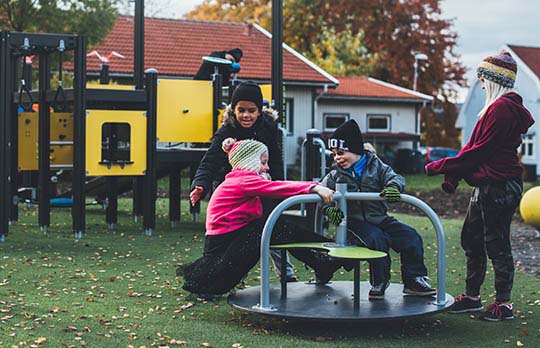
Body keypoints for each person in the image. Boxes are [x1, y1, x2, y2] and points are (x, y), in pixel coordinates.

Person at [426, 51, 534, 321]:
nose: (481, 83)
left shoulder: (501, 110)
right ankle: (472, 297)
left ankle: (504, 304)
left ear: (493, 79)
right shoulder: (493, 109)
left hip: (500, 185)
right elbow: (473, 148)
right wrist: (453, 176)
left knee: (496, 243)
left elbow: (479, 153)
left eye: (483, 78)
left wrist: (440, 167)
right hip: (487, 184)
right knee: (471, 238)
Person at [178, 138, 350, 296]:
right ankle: (329, 251)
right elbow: (277, 188)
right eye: (263, 162)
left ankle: (323, 261)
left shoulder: (236, 179)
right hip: (226, 244)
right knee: (275, 227)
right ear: (250, 161)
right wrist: (315, 187)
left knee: (280, 229)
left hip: (228, 239)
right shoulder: (243, 181)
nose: (267, 168)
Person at [189, 80, 296, 280]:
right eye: (241, 110)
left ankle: (286, 274)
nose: (246, 115)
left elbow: (276, 160)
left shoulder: (268, 129)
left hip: (261, 187)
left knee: (271, 225)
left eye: (251, 110)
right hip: (234, 194)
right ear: (233, 110)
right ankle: (208, 278)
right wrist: (200, 185)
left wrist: (279, 191)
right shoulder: (227, 131)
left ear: (259, 111)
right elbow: (209, 162)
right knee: (225, 239)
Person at [321, 119, 436, 300]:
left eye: (341, 153)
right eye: (334, 154)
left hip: (379, 218)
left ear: (356, 150)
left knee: (410, 236)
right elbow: (323, 195)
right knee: (376, 239)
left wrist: (393, 187)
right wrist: (329, 211)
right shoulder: (335, 174)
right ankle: (379, 281)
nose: (337, 158)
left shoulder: (376, 166)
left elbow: (396, 178)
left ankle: (414, 279)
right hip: (354, 223)